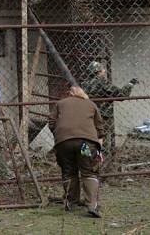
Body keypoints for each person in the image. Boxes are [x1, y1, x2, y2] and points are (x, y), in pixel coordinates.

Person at [49, 86, 106, 218]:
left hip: (64, 144)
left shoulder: (60, 104)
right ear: (83, 94)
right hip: (85, 144)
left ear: (70, 94)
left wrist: (60, 134)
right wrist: (98, 145)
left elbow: (51, 123)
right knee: (89, 171)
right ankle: (92, 205)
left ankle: (71, 202)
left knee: (68, 171)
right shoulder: (91, 104)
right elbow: (100, 127)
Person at [81, 61, 138, 154]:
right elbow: (121, 95)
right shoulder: (101, 83)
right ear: (98, 72)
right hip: (102, 116)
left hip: (88, 116)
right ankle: (103, 161)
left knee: (89, 139)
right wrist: (130, 84)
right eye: (102, 69)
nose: (104, 71)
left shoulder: (84, 84)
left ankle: (87, 159)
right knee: (103, 140)